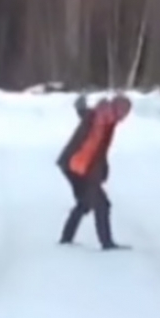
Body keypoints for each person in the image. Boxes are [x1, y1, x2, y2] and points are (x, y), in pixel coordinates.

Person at [56, 92, 132, 250]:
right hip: (77, 165)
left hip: (74, 165)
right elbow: (91, 150)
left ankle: (66, 239)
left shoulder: (105, 117)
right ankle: (106, 243)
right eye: (124, 112)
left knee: (85, 203)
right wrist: (94, 175)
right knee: (101, 204)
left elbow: (97, 147)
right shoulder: (102, 121)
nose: (125, 117)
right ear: (117, 108)